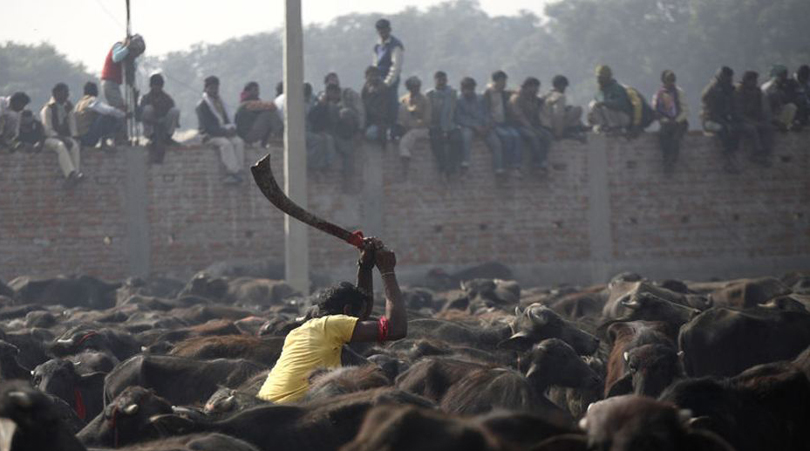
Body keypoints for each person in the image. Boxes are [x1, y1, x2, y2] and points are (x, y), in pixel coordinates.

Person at [256, 238, 406, 403]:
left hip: (265, 407)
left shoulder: (300, 333)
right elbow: (396, 329)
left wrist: (365, 266)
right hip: (293, 409)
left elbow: (362, 305)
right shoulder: (333, 324)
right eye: (362, 316)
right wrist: (387, 271)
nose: (364, 320)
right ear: (347, 312)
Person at [196, 76, 245, 184]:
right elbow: (207, 127)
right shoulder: (202, 106)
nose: (214, 91)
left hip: (223, 132)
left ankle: (239, 170)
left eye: (216, 88)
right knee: (226, 144)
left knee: (238, 142)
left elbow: (227, 120)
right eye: (212, 88)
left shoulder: (220, 103)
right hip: (209, 135)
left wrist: (231, 128)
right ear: (206, 89)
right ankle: (233, 172)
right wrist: (225, 132)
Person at [455, 77, 504, 174]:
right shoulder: (459, 101)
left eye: (469, 88)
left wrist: (487, 125)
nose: (467, 91)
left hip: (483, 126)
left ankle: (499, 168)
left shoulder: (481, 99)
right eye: (465, 88)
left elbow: (486, 113)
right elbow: (459, 118)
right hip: (469, 126)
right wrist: (474, 126)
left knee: (496, 143)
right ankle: (465, 161)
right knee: (466, 137)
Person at [40, 83, 83, 187]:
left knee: (74, 145)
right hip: (49, 139)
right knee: (60, 146)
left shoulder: (68, 107)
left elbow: (72, 125)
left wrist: (74, 137)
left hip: (64, 137)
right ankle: (70, 174)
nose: (67, 95)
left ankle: (76, 173)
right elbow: (48, 130)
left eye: (67, 93)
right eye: (65, 93)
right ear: (56, 93)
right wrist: (62, 138)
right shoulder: (48, 109)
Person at [701, 66, 742, 173]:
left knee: (736, 128)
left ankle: (732, 153)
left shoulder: (730, 90)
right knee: (723, 129)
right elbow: (712, 112)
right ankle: (727, 158)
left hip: (725, 119)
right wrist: (725, 123)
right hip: (709, 121)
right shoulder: (712, 90)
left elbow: (733, 108)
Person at [483, 71, 522, 176]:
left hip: (505, 123)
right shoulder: (488, 93)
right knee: (507, 137)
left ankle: (516, 165)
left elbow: (515, 93)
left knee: (516, 136)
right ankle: (506, 165)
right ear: (496, 81)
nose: (504, 83)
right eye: (502, 81)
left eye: (505, 81)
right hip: (494, 124)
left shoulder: (504, 93)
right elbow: (486, 110)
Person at [510, 77, 553, 172]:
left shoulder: (533, 99)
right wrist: (529, 127)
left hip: (532, 125)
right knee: (533, 136)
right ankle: (537, 163)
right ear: (529, 87)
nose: (537, 90)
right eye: (535, 88)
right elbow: (519, 116)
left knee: (547, 136)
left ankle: (543, 160)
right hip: (518, 126)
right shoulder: (517, 98)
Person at [426, 71, 463, 177]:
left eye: (443, 80)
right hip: (435, 126)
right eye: (439, 80)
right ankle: (442, 167)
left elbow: (455, 111)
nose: (442, 82)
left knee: (457, 139)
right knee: (437, 142)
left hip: (451, 125)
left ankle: (452, 168)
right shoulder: (430, 94)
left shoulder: (452, 94)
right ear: (435, 81)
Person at [652, 70, 689, 174]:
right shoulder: (658, 94)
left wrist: (676, 121)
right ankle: (666, 160)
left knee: (675, 138)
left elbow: (685, 110)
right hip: (666, 123)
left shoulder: (679, 92)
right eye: (668, 80)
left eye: (672, 80)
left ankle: (672, 161)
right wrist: (666, 121)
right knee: (663, 136)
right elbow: (656, 111)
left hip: (680, 122)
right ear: (663, 81)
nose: (670, 83)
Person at [735, 71, 773, 167]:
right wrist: (751, 122)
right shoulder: (738, 92)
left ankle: (766, 153)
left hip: (754, 119)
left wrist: (762, 120)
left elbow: (760, 109)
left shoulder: (757, 92)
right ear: (746, 80)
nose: (755, 82)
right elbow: (738, 113)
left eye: (755, 80)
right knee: (752, 129)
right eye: (752, 80)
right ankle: (756, 152)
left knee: (768, 128)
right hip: (741, 120)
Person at [372, 19, 404, 132]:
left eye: (384, 30)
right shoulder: (377, 46)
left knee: (391, 105)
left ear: (389, 30)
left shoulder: (396, 45)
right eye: (380, 31)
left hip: (390, 81)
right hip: (378, 79)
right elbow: (375, 64)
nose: (382, 33)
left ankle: (393, 129)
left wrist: (387, 83)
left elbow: (395, 67)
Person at [139, 73, 181, 160]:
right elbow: (140, 116)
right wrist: (155, 121)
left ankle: (168, 137)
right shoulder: (145, 98)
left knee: (175, 111)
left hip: (163, 127)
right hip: (151, 126)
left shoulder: (167, 98)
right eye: (155, 85)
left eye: (159, 86)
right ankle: (152, 137)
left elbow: (172, 113)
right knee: (147, 109)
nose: (157, 88)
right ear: (151, 86)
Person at [74, 82, 126, 150]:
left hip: (81, 139)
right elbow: (108, 110)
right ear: (95, 91)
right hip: (88, 138)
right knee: (107, 116)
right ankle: (106, 142)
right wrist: (123, 114)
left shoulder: (79, 103)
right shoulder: (91, 101)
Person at [101, 34, 145, 111]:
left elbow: (133, 69)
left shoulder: (128, 56)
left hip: (115, 84)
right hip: (109, 83)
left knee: (121, 108)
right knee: (120, 108)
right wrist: (128, 48)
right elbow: (116, 58)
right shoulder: (118, 46)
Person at [235, 81, 283, 148]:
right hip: (247, 135)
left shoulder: (250, 103)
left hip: (250, 132)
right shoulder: (247, 104)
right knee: (268, 115)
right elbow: (271, 106)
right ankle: (282, 134)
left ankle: (267, 142)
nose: (258, 93)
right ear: (248, 92)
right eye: (255, 90)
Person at [540, 75, 586, 142]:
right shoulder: (560, 96)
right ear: (561, 85)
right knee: (578, 109)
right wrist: (558, 133)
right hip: (555, 127)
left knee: (570, 109)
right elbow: (558, 114)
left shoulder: (544, 95)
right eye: (564, 87)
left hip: (545, 125)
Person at [397, 76, 431, 165]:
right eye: (413, 86)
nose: (415, 89)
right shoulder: (403, 100)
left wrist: (414, 124)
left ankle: (405, 154)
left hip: (421, 129)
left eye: (417, 86)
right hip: (406, 126)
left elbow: (427, 119)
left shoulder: (425, 100)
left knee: (409, 137)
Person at [323, 72, 365, 136]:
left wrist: (360, 130)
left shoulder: (349, 93)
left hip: (352, 123)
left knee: (345, 112)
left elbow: (360, 111)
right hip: (337, 127)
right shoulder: (326, 99)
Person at [761, 64, 799, 131]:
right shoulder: (768, 88)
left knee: (791, 106)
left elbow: (782, 105)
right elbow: (766, 110)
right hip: (768, 117)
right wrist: (776, 122)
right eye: (783, 75)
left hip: (777, 115)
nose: (785, 77)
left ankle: (785, 125)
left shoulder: (780, 87)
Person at [362, 66, 390, 144]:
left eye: (374, 76)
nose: (372, 78)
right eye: (370, 76)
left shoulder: (382, 89)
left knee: (369, 134)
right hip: (368, 120)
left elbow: (382, 111)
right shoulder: (366, 87)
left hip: (379, 122)